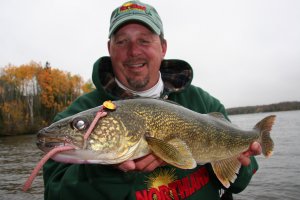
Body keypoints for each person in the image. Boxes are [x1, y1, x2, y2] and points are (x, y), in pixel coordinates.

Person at [43, 1, 261, 199]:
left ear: (163, 47)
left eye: (144, 40)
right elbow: (56, 194)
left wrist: (243, 164)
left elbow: (238, 184)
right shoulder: (79, 111)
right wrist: (105, 170)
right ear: (110, 49)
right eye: (122, 41)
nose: (133, 51)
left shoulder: (204, 103)